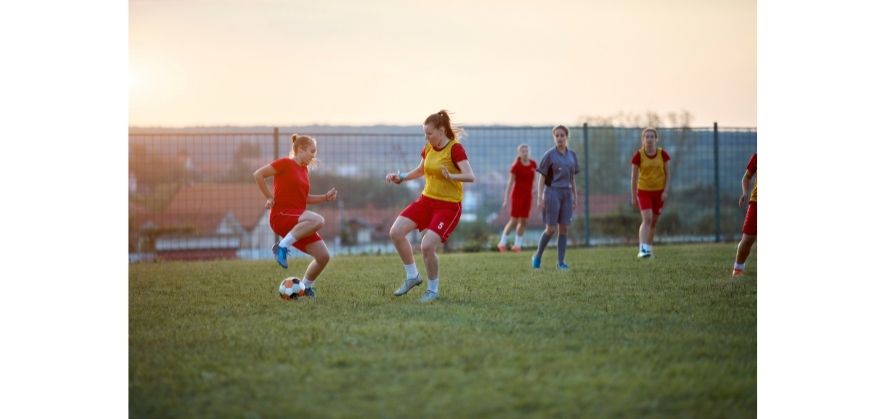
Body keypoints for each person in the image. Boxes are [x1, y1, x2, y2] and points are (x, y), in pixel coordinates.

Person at [386, 110, 475, 302]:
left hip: (448, 206)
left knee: (427, 246)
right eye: (425, 134)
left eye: (429, 133)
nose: (426, 137)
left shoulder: (455, 149)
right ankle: (412, 276)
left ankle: (433, 290)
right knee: (396, 232)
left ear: (441, 131)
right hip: (426, 201)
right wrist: (401, 177)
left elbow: (470, 175)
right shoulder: (428, 148)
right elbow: (420, 170)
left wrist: (451, 176)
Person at [253, 134, 338, 299]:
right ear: (300, 149)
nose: (314, 155)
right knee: (318, 220)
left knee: (323, 257)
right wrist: (269, 197)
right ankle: (282, 247)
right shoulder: (285, 163)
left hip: (297, 220)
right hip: (281, 216)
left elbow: (303, 199)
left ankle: (305, 288)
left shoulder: (304, 170)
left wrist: (325, 197)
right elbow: (258, 174)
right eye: (312, 151)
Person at [532, 125, 579, 271]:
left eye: (562, 135)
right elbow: (542, 178)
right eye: (557, 135)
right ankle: (538, 255)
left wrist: (575, 196)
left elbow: (572, 179)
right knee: (551, 229)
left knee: (564, 228)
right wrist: (540, 197)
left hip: (567, 194)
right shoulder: (549, 155)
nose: (559, 138)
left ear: (567, 137)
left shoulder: (572, 155)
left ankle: (561, 262)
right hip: (552, 193)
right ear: (554, 137)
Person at [630, 127, 670, 259]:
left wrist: (665, 191)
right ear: (643, 139)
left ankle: (648, 248)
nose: (649, 139)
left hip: (659, 192)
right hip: (643, 191)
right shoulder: (638, 155)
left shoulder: (662, 154)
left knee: (653, 222)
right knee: (647, 219)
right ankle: (642, 249)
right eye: (646, 136)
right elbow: (634, 178)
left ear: (656, 139)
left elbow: (668, 175)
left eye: (652, 136)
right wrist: (633, 195)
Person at [498, 144, 537, 253]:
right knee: (514, 220)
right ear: (519, 153)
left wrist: (536, 189)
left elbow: (535, 180)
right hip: (517, 196)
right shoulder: (516, 166)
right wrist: (505, 199)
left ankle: (517, 246)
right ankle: (502, 243)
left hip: (528, 197)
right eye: (522, 151)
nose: (525, 153)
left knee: (524, 221)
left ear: (529, 152)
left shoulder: (533, 164)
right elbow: (510, 184)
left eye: (526, 151)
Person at [732, 153, 757, 277]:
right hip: (757, 201)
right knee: (747, 239)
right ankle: (738, 268)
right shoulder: (757, 157)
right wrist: (745, 193)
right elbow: (746, 177)